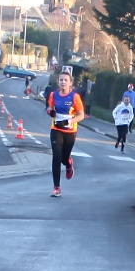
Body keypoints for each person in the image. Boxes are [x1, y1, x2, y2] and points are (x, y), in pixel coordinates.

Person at [46, 68, 85, 197]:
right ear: (58, 82)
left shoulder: (75, 97)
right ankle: (56, 187)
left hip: (70, 131)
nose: (63, 82)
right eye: (61, 80)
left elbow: (81, 115)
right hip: (56, 129)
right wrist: (50, 111)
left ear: (70, 83)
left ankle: (68, 164)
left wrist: (69, 121)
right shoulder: (53, 95)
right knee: (56, 157)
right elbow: (49, 107)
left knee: (64, 158)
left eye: (66, 80)